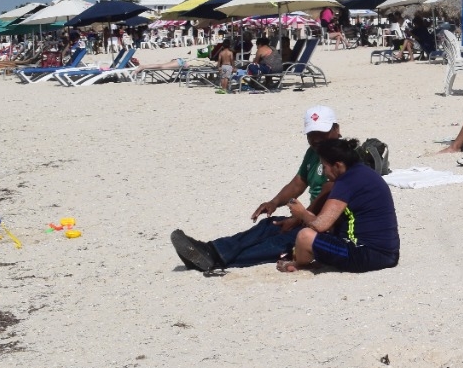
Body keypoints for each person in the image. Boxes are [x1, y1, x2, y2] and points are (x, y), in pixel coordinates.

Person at [170, 106, 343, 274]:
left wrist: (299, 218)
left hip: (331, 225)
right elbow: (299, 182)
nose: (316, 139)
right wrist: (274, 202)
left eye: (322, 133)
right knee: (268, 225)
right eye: (312, 134)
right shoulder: (313, 153)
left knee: (284, 240)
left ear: (336, 129)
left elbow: (330, 191)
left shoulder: (342, 155)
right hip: (310, 218)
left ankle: (215, 258)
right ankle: (211, 250)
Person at [278, 138, 399, 273]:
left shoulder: (346, 181)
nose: (324, 172)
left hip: (366, 254)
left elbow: (321, 225)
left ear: (338, 166)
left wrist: (301, 213)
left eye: (324, 166)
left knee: (305, 236)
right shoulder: (362, 172)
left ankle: (299, 264)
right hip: (386, 252)